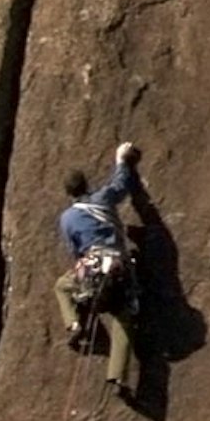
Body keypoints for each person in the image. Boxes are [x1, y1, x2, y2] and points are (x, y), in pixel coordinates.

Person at [52, 142, 149, 397]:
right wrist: (121, 160)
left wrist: (83, 267)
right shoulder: (102, 200)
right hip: (118, 267)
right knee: (123, 318)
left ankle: (73, 324)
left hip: (92, 269)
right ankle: (118, 377)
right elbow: (121, 184)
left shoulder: (67, 219)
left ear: (68, 193)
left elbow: (75, 252)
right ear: (86, 184)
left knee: (62, 286)